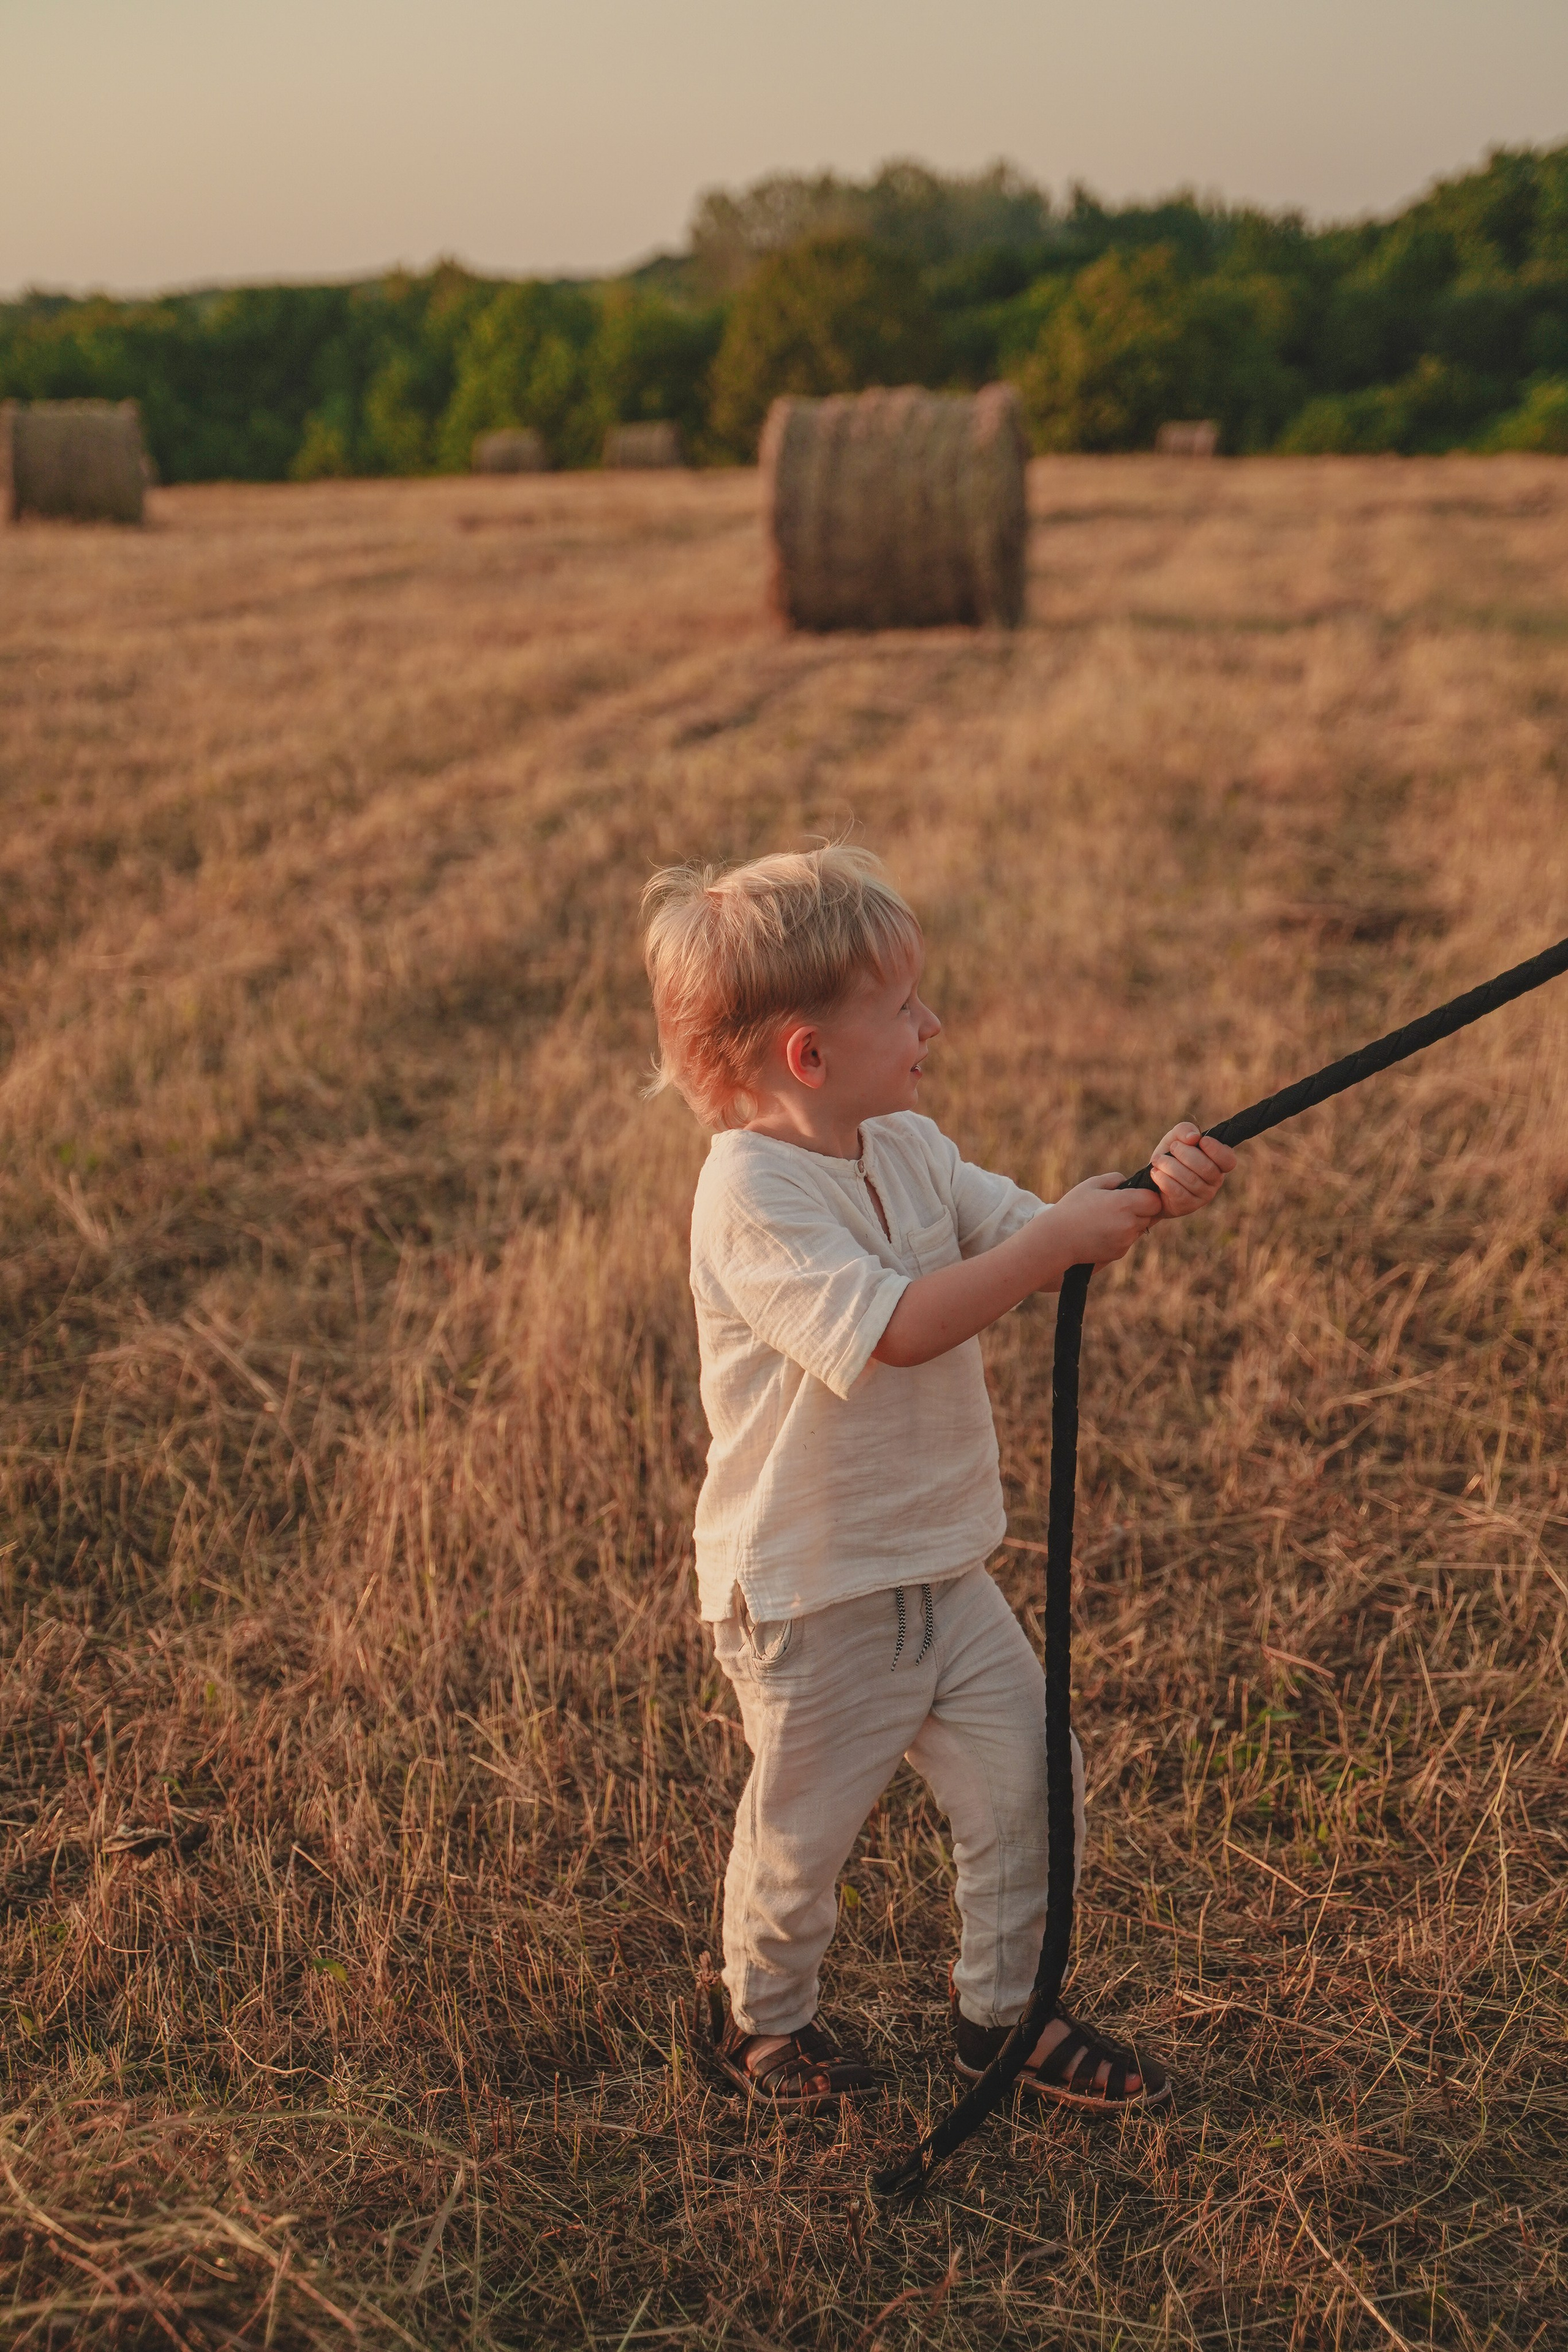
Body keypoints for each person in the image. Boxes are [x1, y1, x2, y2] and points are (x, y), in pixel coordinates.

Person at [642, 845, 1235, 2114]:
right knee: (802, 1837)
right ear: (809, 1055)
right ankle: (763, 2025)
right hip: (812, 1594)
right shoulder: (750, 1194)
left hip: (938, 1569)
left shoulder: (904, 1144)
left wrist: (1144, 1193)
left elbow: (1035, 1237)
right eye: (904, 1007)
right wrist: (1053, 1242)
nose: (934, 1024)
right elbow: (900, 1328)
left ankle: (1006, 2020)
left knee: (1032, 1782)